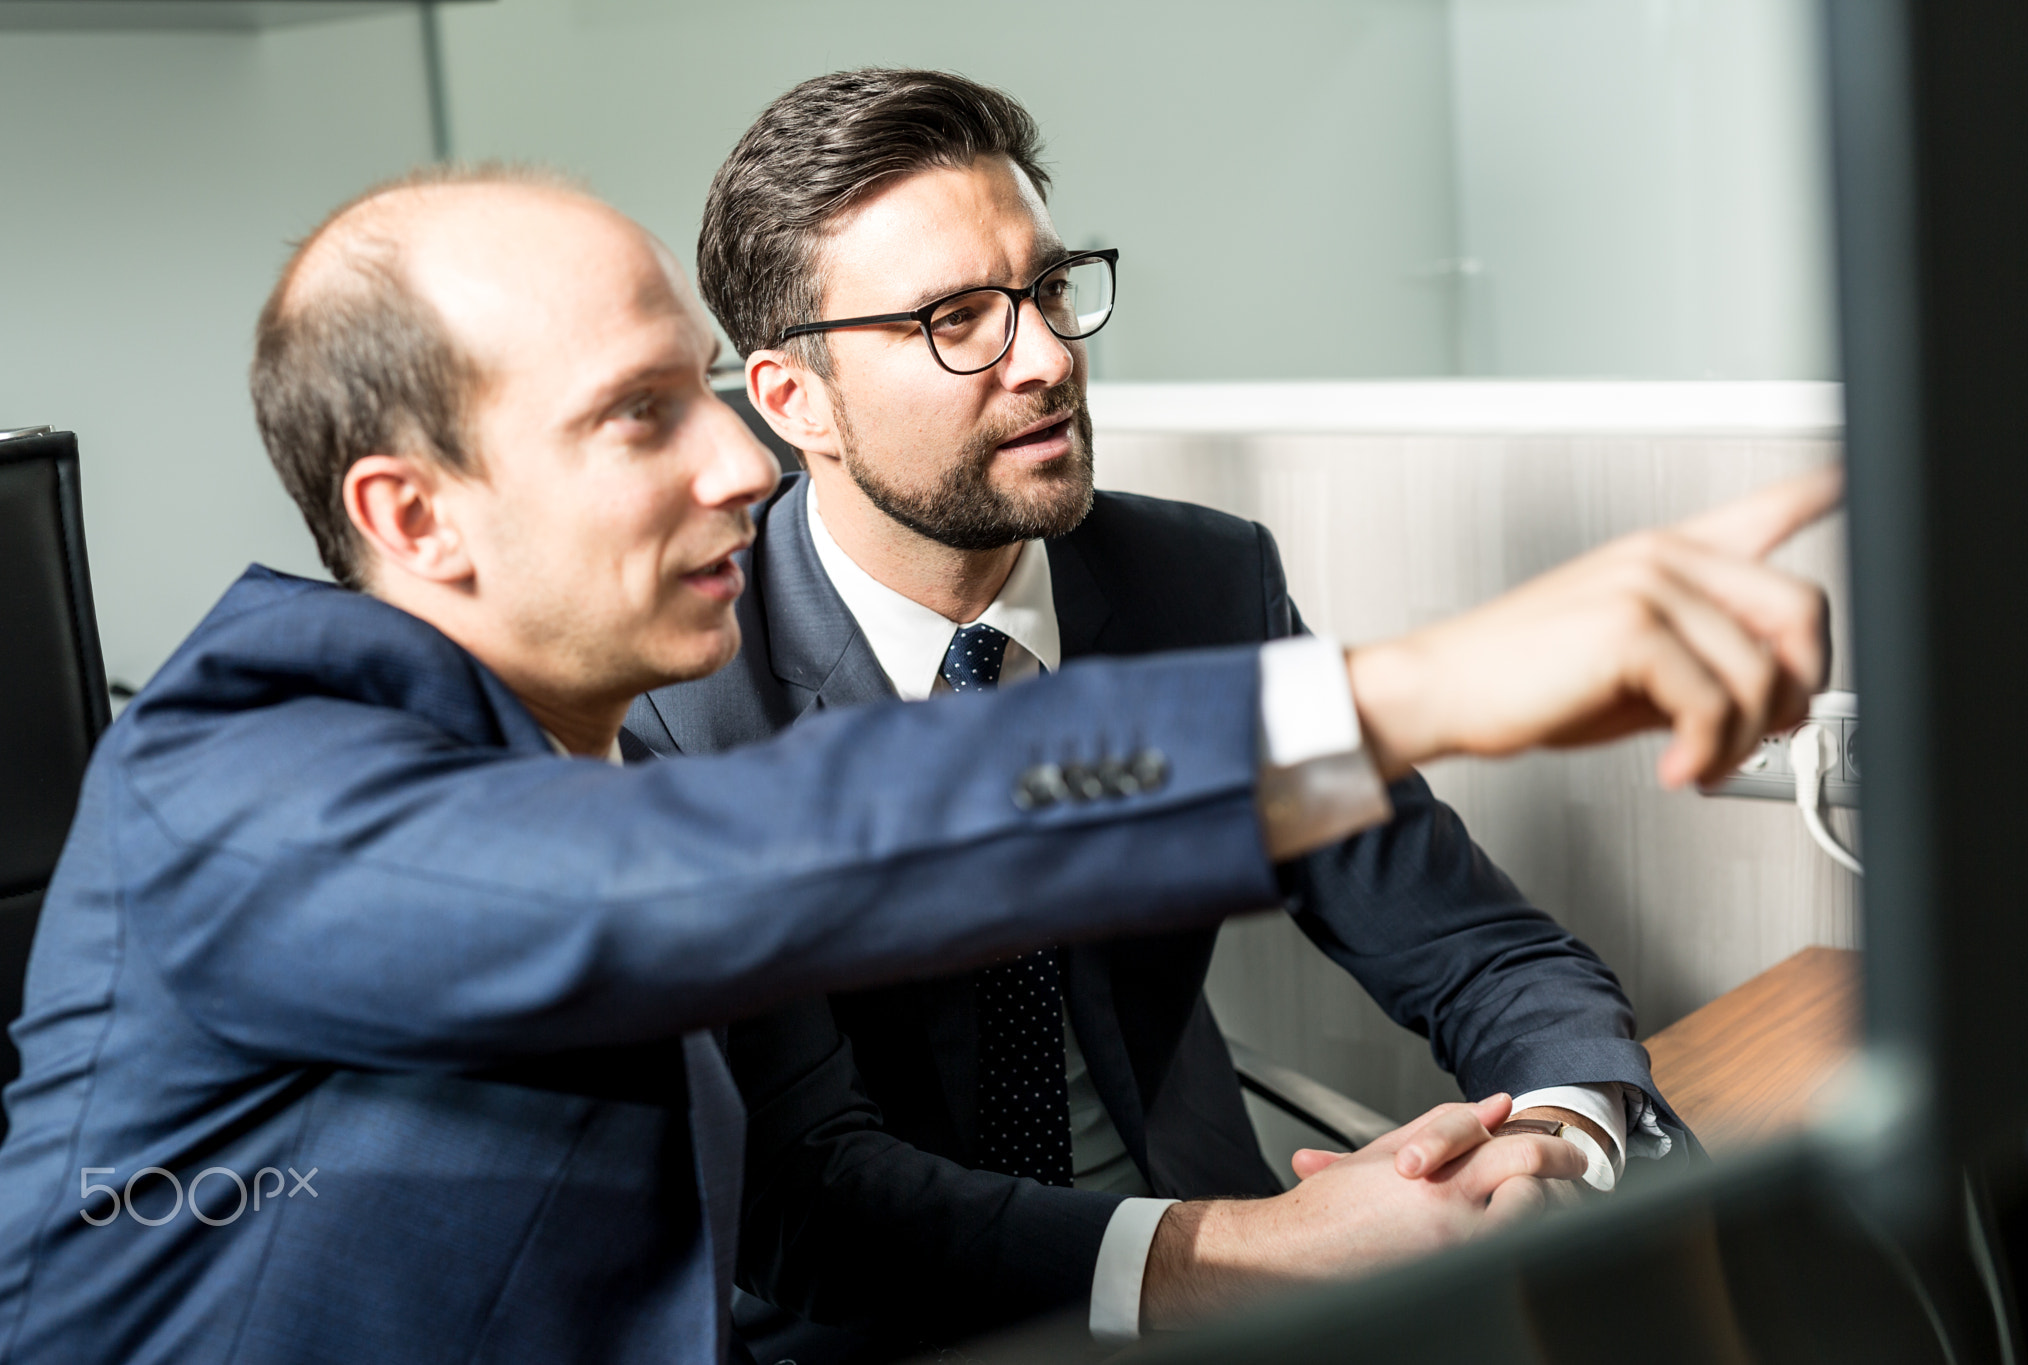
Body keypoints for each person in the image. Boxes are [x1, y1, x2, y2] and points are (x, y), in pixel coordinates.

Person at [0, 164, 1830, 1365]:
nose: (733, 466)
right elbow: (754, 874)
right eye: (641, 417)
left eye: (697, 396)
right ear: (415, 517)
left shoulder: (578, 754)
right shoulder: (234, 786)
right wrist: (1411, 687)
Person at [630, 69, 1837, 1358]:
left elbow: (1471, 949)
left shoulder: (1192, 589)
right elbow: (817, 1200)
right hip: (887, 1326)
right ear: (791, 397)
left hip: (1215, 1249)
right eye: (954, 320)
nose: (1045, 357)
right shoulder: (683, 696)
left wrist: (1561, 1131)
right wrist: (1243, 1255)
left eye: (1044, 290)